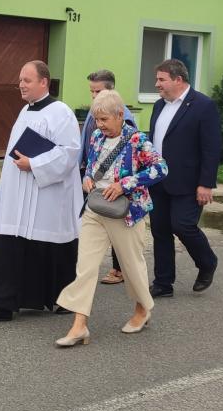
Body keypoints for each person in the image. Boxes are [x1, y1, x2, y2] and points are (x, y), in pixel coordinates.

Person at [0, 60, 82, 324]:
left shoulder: (61, 112)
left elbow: (69, 153)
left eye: (26, 80)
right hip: (18, 195)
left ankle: (62, 298)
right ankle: (2, 304)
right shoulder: (25, 111)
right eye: (20, 80)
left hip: (47, 196)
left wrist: (34, 164)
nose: (20, 85)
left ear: (44, 82)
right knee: (8, 245)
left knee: (48, 248)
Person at [55, 90, 167, 346]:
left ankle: (142, 309)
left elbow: (160, 168)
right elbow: (92, 164)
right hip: (95, 209)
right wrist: (88, 178)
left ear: (119, 115)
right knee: (85, 268)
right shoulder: (96, 136)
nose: (100, 125)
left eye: (104, 119)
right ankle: (79, 325)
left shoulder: (137, 140)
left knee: (131, 266)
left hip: (125, 212)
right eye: (97, 119)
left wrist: (125, 184)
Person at [148, 59, 221, 298]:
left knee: (183, 225)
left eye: (161, 79)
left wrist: (206, 183)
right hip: (158, 180)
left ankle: (207, 262)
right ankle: (163, 283)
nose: (157, 84)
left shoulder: (203, 106)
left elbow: (211, 148)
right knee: (160, 230)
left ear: (178, 79)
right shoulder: (159, 105)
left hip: (189, 182)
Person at [81, 70, 135, 286]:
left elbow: (139, 163)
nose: (94, 96)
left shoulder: (127, 123)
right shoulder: (95, 113)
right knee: (90, 247)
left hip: (115, 189)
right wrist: (87, 172)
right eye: (92, 91)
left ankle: (122, 270)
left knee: (119, 232)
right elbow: (91, 149)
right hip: (95, 183)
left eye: (98, 91)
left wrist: (123, 184)